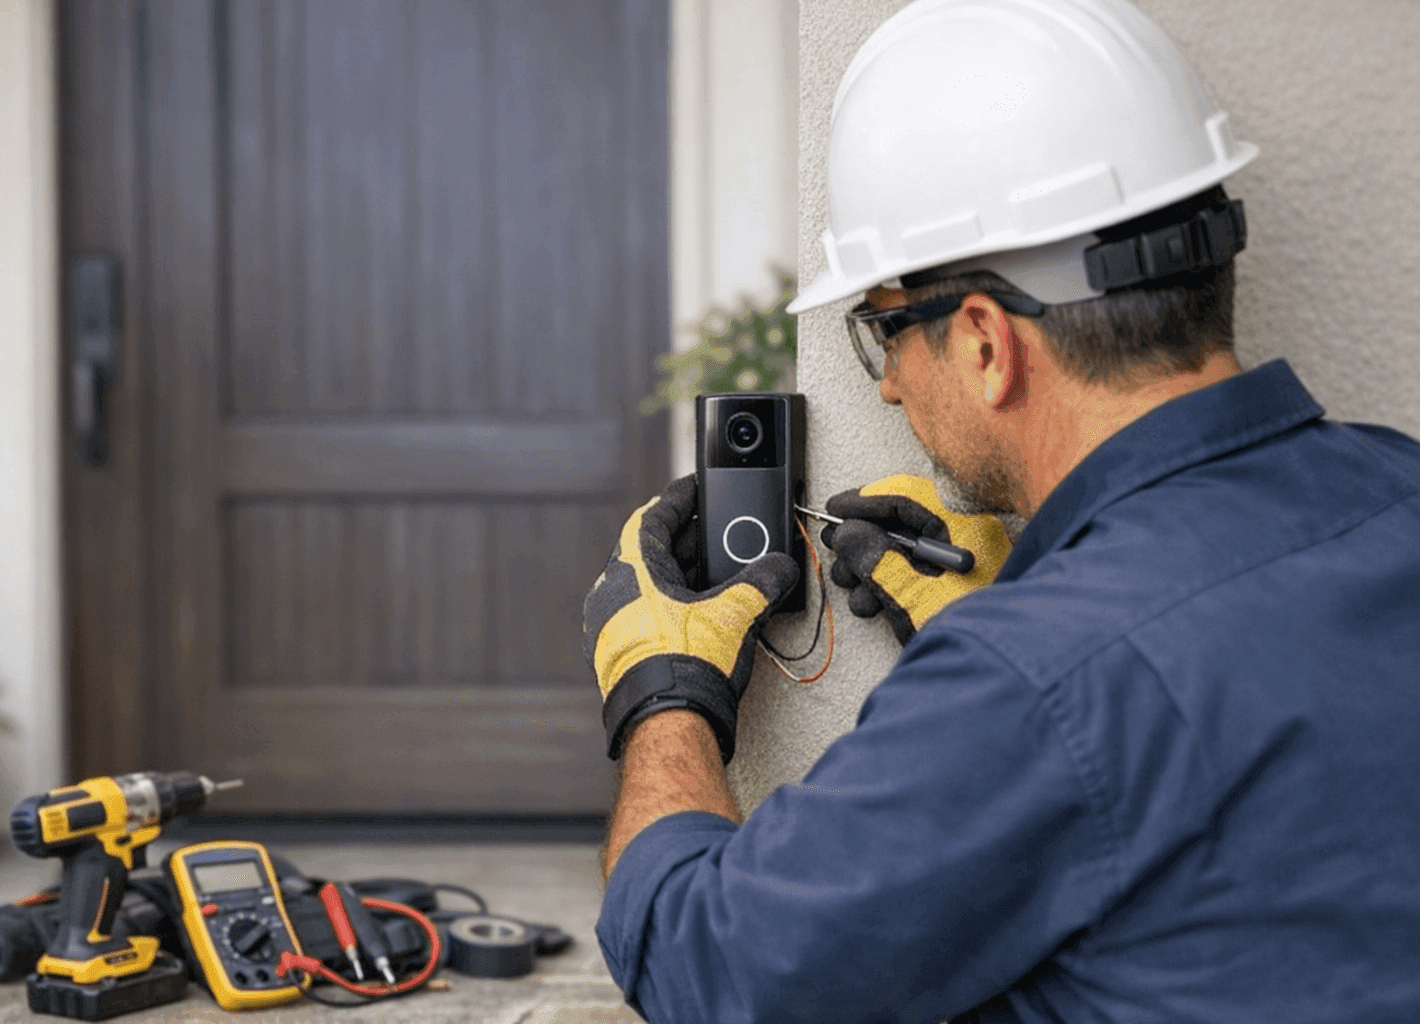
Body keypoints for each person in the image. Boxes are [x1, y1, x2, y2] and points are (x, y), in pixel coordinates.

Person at [581, 1, 1420, 1022]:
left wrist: (661, 690)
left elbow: (709, 966)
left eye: (883, 330)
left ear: (984, 341)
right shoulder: (1399, 492)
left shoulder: (1034, 676)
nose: (888, 386)